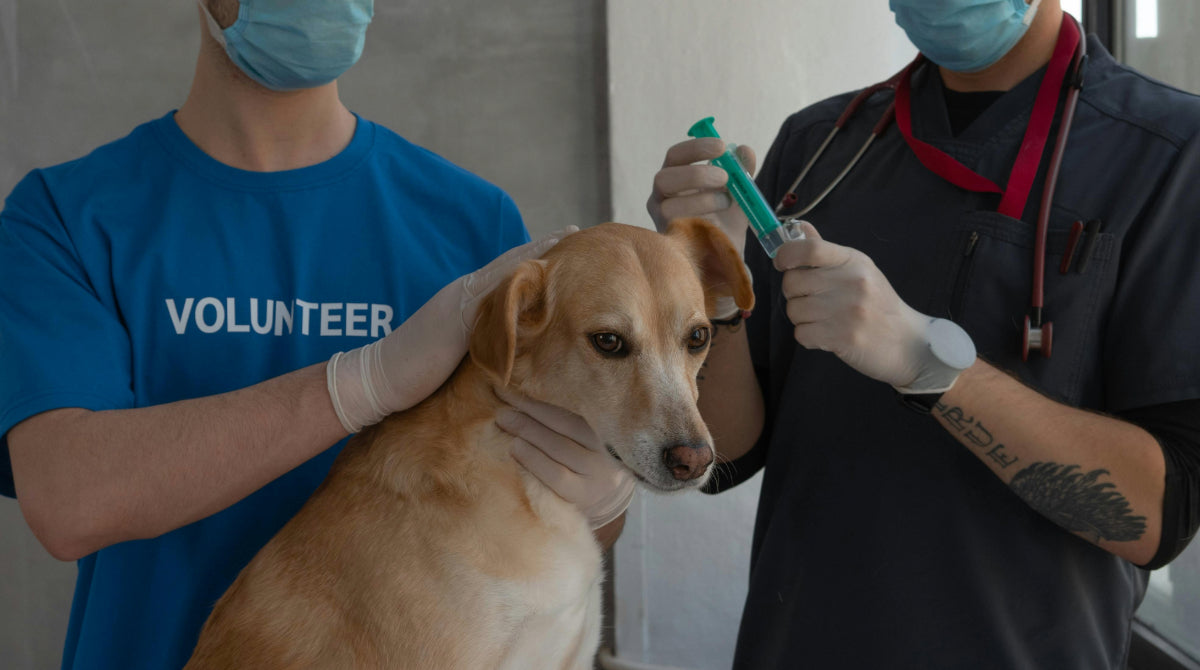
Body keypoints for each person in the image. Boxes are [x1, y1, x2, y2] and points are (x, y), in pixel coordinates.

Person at [0, 1, 633, 668]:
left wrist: (603, 500)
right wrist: (363, 382)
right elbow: (71, 501)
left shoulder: (474, 231)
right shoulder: (65, 218)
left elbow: (547, 511)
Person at [649, 0, 1200, 667]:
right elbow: (723, 457)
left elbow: (1158, 512)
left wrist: (924, 361)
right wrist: (710, 295)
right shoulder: (820, 142)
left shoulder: (1169, 154)